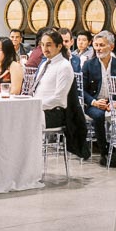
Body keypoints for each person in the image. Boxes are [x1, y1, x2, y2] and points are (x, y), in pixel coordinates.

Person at [32, 27, 87, 158]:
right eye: (43, 45)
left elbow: (60, 99)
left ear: (59, 46)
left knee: (23, 122)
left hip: (55, 113)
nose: (45, 48)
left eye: (49, 45)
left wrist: (35, 105)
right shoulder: (45, 64)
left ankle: (31, 166)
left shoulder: (64, 66)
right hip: (39, 109)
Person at [82, 31, 116, 167]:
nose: (98, 48)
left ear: (111, 47)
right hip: (95, 102)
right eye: (96, 45)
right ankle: (104, 151)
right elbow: (81, 90)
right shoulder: (89, 65)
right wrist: (94, 102)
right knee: (98, 115)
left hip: (113, 101)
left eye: (102, 45)